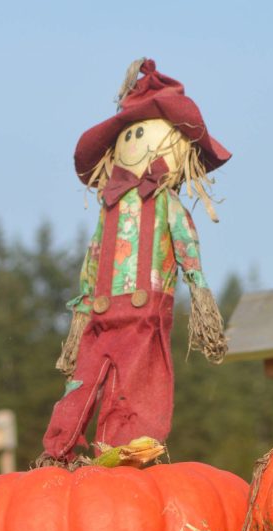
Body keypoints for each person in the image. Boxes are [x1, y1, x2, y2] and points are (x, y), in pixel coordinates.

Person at [41, 58, 231, 463]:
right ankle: (59, 452)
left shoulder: (169, 206)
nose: (139, 140)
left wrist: (201, 297)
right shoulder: (109, 207)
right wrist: (81, 314)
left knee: (137, 387)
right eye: (134, 132)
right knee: (80, 384)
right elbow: (93, 259)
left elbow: (187, 250)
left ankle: (125, 456)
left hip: (145, 315)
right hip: (100, 313)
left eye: (149, 131)